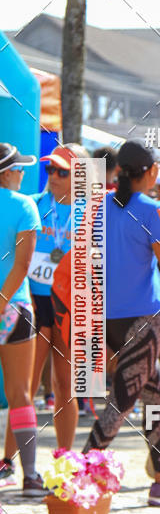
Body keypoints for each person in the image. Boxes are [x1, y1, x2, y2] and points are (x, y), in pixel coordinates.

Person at [81, 141, 160, 505]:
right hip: (143, 320)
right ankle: (75, 476)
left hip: (108, 318)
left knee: (155, 394)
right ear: (151, 171)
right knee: (121, 404)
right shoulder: (151, 209)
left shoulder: (98, 206)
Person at [24, 145, 87, 454]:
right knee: (26, 387)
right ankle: (10, 461)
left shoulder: (92, 213)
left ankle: (66, 459)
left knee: (65, 385)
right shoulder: (33, 204)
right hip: (35, 302)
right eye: (50, 169)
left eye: (63, 172)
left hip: (69, 305)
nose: (54, 176)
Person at [0, 145, 46, 495]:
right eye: (18, 169)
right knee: (21, 394)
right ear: (6, 173)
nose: (22, 174)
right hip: (13, 308)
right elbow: (22, 265)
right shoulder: (24, 205)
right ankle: (29, 476)